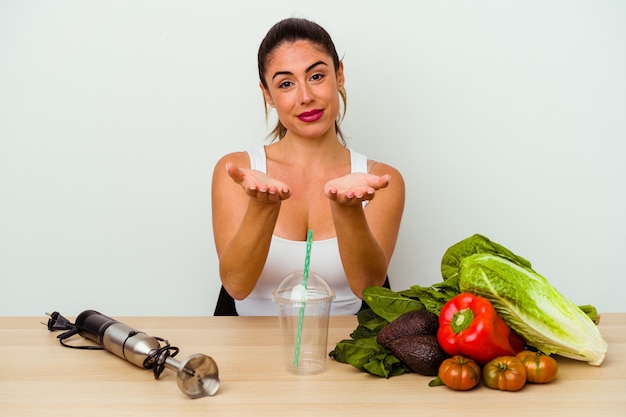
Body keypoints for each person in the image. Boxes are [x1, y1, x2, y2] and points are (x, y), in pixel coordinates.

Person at [211, 17, 405, 316]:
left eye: (316, 76)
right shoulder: (237, 170)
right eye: (286, 83)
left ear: (339, 75)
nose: (306, 97)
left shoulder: (380, 179)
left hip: (343, 353)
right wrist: (262, 207)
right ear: (268, 95)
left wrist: (349, 210)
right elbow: (236, 285)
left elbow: (369, 288)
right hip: (245, 351)